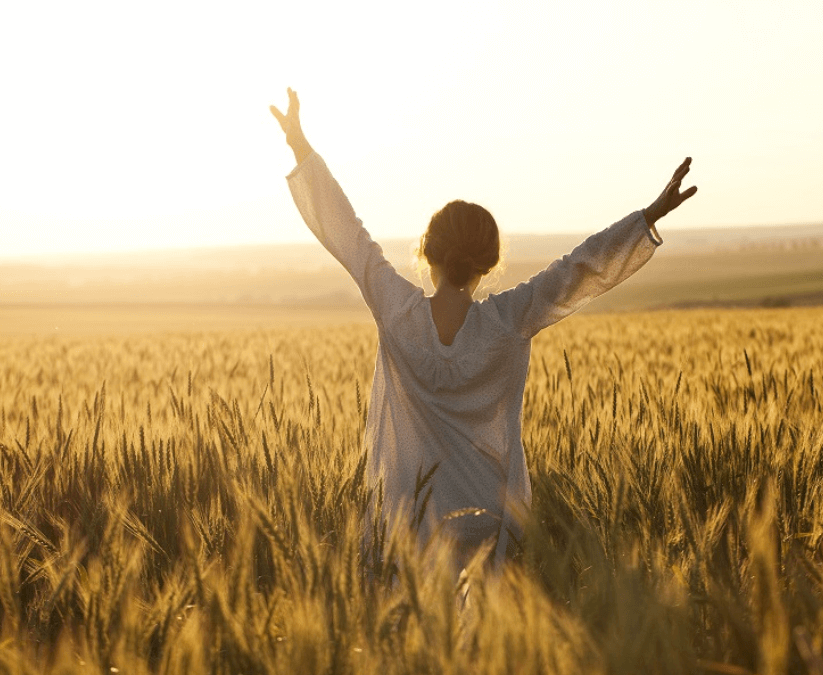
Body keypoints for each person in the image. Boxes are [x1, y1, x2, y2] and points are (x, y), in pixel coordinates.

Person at [270, 88, 696, 574]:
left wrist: (301, 146)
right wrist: (648, 218)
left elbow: (349, 235)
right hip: (489, 522)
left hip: (411, 522)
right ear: (487, 264)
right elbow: (579, 269)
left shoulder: (396, 313)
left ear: (428, 255)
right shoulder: (508, 322)